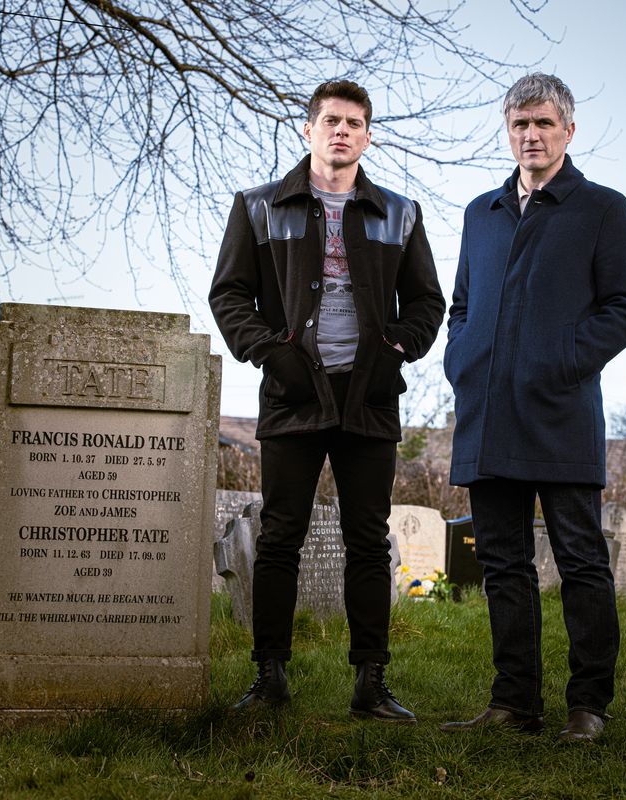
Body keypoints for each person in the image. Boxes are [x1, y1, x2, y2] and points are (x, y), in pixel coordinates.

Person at [209, 79, 445, 722]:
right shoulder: (259, 207)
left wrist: (397, 348)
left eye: (356, 123)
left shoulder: (399, 212)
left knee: (367, 538)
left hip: (368, 397)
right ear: (308, 129)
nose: (343, 131)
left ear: (367, 136)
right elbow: (229, 293)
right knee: (281, 534)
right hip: (292, 393)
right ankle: (269, 679)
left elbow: (428, 301)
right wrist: (270, 352)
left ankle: (371, 684)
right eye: (332, 121)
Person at [440, 73, 626, 741]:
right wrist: (463, 361)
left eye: (544, 124)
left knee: (581, 561)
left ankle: (588, 706)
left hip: (560, 413)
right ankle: (514, 705)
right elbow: (462, 305)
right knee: (502, 563)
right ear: (508, 131)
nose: (531, 135)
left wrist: (557, 363)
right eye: (520, 125)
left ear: (568, 131)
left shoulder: (603, 209)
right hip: (489, 412)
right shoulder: (482, 212)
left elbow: (625, 310)